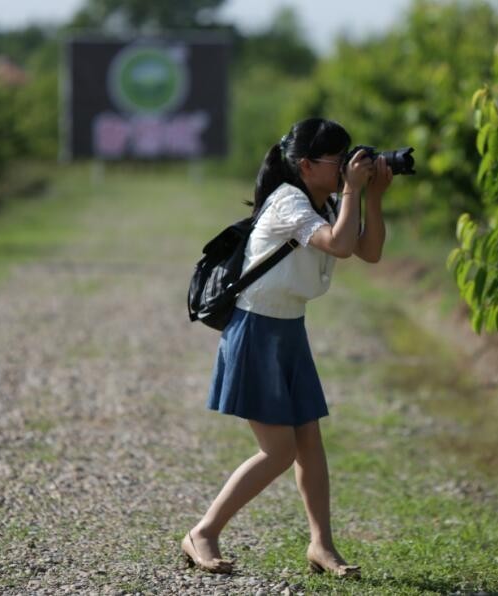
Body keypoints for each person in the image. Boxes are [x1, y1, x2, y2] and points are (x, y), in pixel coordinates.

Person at [181, 117, 390, 578]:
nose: (345, 168)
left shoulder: (328, 199)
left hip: (289, 329)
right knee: (279, 451)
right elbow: (337, 244)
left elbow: (368, 251)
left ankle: (321, 545)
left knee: (309, 444)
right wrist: (354, 191)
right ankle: (203, 532)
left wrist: (371, 195)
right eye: (338, 161)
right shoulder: (288, 203)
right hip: (256, 330)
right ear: (306, 164)